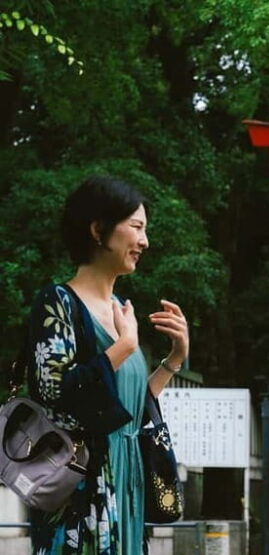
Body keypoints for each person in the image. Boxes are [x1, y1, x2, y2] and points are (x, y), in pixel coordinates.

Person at [27, 176, 190, 553]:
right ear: (99, 230)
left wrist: (173, 359)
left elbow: (128, 405)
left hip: (127, 478)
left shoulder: (120, 309)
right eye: (136, 227)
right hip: (84, 487)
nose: (144, 242)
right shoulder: (58, 302)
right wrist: (125, 346)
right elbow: (55, 392)